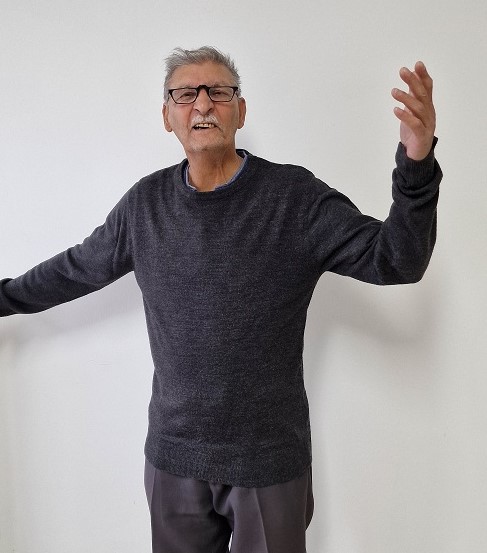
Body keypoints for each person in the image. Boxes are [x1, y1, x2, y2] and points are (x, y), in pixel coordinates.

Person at [0, 46, 441, 553]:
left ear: (241, 111)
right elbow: (75, 269)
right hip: (173, 459)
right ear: (167, 116)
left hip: (269, 462)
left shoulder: (293, 198)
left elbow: (397, 260)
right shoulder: (144, 206)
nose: (203, 103)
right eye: (186, 94)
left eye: (220, 92)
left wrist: (416, 162)